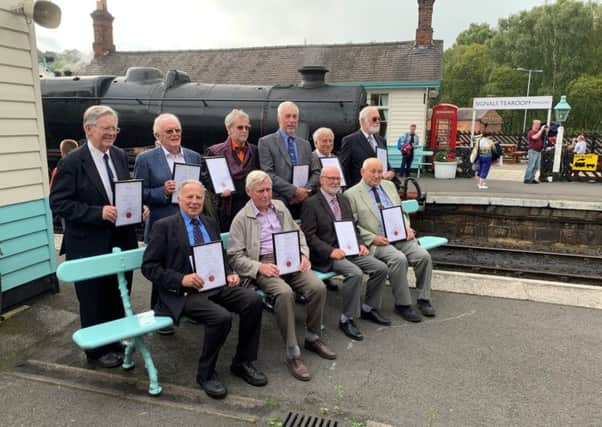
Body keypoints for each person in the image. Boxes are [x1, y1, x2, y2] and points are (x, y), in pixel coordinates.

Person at [141, 180, 266, 399]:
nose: (194, 202)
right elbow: (149, 268)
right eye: (189, 197)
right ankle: (206, 373)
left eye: (198, 197)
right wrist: (182, 280)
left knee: (253, 301)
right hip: (183, 292)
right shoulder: (164, 226)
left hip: (214, 284)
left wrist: (229, 272)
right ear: (179, 199)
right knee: (221, 317)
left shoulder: (209, 223)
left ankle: (243, 362)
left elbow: (218, 254)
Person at [50, 105, 149, 368]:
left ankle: (114, 339)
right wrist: (97, 213)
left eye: (114, 128)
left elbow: (121, 192)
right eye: (106, 128)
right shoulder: (71, 162)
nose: (112, 134)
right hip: (88, 243)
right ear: (88, 128)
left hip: (121, 238)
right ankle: (95, 350)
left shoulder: (117, 155)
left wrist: (137, 208)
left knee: (118, 292)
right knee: (93, 298)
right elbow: (58, 203)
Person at [227, 170, 336, 382]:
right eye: (261, 191)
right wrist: (259, 267)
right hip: (264, 264)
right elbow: (234, 257)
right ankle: (292, 352)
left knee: (317, 287)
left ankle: (313, 337)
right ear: (249, 192)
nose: (266, 195)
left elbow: (299, 234)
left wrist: (303, 255)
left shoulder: (280, 207)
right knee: (285, 293)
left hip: (289, 256)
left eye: (268, 190)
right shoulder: (241, 218)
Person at [300, 166, 389, 341]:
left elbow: (353, 226)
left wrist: (361, 244)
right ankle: (346, 319)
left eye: (337, 179)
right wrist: (331, 251)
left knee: (380, 268)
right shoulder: (311, 203)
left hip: (349, 249)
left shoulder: (343, 198)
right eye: (330, 178)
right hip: (327, 254)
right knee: (354, 273)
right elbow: (309, 236)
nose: (334, 182)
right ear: (322, 180)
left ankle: (369, 309)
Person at [133, 113, 204, 333]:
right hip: (162, 222)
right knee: (162, 269)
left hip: (190, 221)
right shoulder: (145, 159)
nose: (175, 134)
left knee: (190, 264)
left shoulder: (193, 156)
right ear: (157, 135)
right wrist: (162, 191)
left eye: (177, 130)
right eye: (169, 131)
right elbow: (139, 193)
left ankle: (191, 309)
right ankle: (160, 312)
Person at [344, 158, 435, 323]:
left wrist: (407, 228)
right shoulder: (351, 194)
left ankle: (423, 298)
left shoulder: (389, 186)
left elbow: (401, 212)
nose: (377, 175)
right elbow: (353, 225)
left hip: (399, 234)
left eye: (380, 171)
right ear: (362, 172)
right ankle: (403, 304)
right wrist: (372, 238)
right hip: (377, 240)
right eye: (373, 171)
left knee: (423, 256)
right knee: (398, 259)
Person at [258, 101, 320, 215]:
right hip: (280, 201)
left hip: (305, 201)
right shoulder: (266, 142)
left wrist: (305, 192)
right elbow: (268, 174)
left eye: (294, 116)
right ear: (279, 119)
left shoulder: (305, 144)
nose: (291, 120)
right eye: (287, 116)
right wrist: (294, 191)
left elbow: (316, 172)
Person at [204, 109, 259, 232]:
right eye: (240, 127)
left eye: (247, 127)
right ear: (229, 130)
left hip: (251, 206)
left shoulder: (255, 151)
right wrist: (218, 190)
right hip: (226, 209)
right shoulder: (214, 152)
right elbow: (207, 179)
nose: (244, 131)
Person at [339, 106, 395, 187]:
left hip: (381, 188)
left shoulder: (381, 141)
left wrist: (391, 172)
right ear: (362, 121)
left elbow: (386, 164)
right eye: (374, 119)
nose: (378, 121)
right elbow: (343, 169)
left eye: (379, 119)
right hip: (360, 190)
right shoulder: (350, 141)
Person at [523, 119, 547, 184]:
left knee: (536, 166)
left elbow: (544, 138)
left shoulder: (539, 132)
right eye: (537, 124)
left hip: (538, 151)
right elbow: (535, 137)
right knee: (531, 165)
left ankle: (532, 178)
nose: (538, 126)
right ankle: (527, 178)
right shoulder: (531, 132)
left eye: (539, 124)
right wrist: (541, 130)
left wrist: (545, 131)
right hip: (533, 150)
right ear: (533, 124)